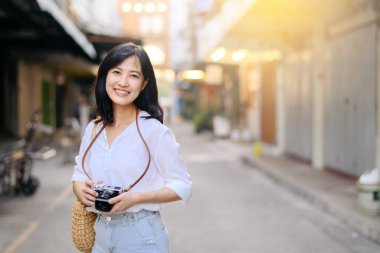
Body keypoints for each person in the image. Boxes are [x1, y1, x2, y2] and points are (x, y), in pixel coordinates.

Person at [71, 42, 192, 253]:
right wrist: (81, 189)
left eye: (133, 76)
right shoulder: (93, 128)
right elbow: (79, 175)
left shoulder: (154, 131)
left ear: (144, 83)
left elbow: (182, 185)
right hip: (100, 234)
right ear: (105, 76)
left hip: (141, 235)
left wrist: (137, 197)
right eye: (117, 72)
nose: (123, 82)